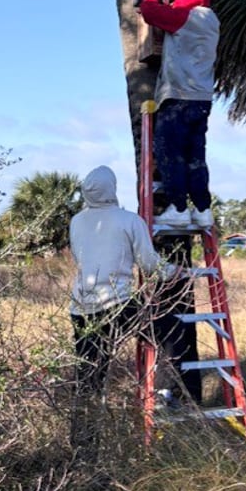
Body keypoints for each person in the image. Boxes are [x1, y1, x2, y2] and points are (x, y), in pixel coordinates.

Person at [68, 165, 180, 400]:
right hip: (116, 304)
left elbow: (80, 257)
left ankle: (83, 435)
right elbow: (150, 265)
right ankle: (163, 391)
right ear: (113, 189)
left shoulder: (76, 221)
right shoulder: (129, 220)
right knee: (171, 328)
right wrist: (176, 272)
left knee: (89, 377)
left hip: (80, 307)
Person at [137, 0, 219, 229]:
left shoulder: (186, 17)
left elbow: (150, 13)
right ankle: (203, 209)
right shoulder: (211, 21)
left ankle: (179, 209)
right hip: (201, 100)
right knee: (195, 156)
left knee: (170, 153)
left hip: (178, 98)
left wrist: (149, 0)